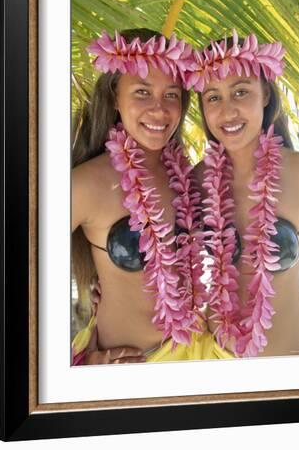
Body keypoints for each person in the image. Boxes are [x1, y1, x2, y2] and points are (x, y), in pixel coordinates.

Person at [71, 28, 209, 365]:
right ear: (115, 97)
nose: (159, 110)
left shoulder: (190, 178)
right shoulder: (87, 184)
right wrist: (74, 364)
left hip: (200, 356)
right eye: (142, 92)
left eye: (171, 95)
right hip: (131, 372)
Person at [185, 30, 299, 359]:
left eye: (240, 92)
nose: (227, 110)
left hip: (292, 363)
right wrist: (96, 287)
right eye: (213, 97)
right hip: (216, 361)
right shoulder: (196, 180)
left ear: (265, 96)